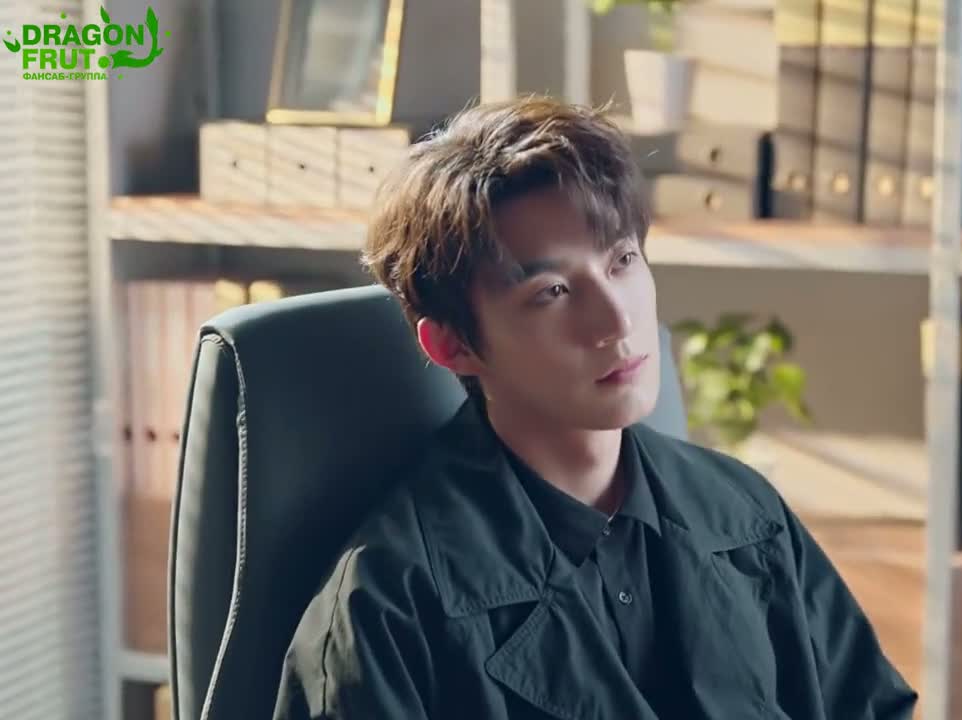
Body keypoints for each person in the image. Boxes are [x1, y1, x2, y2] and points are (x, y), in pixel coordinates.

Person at [271, 96, 918, 720]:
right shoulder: (388, 606)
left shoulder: (747, 515)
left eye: (623, 261)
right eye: (552, 291)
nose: (617, 320)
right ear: (453, 345)